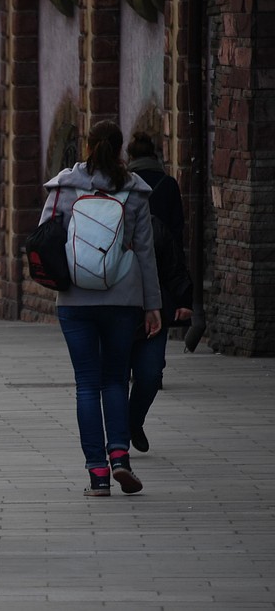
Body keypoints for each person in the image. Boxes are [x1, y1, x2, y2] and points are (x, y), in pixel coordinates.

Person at [40, 120, 162, 497]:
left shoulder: (64, 187)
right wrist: (152, 305)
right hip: (122, 299)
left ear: (88, 146)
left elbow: (44, 237)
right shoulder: (136, 192)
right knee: (114, 380)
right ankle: (120, 456)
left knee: (86, 385)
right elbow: (145, 252)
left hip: (75, 300)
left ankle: (97, 475)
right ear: (121, 149)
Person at [125, 132, 193, 453]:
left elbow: (172, 257)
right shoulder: (104, 219)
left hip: (154, 304)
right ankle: (116, 444)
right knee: (116, 376)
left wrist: (182, 299)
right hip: (116, 308)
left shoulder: (155, 227)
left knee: (151, 374)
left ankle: (132, 421)